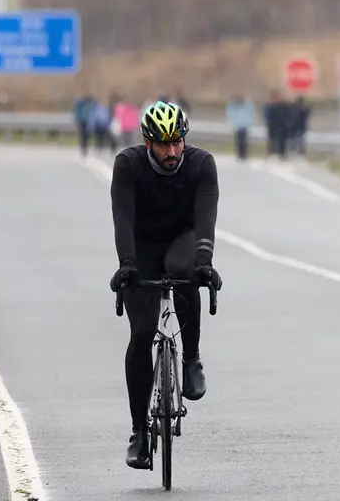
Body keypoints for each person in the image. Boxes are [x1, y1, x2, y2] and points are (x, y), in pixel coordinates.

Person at [107, 101, 224, 470]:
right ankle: (139, 433)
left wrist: (205, 263)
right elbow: (122, 218)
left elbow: (206, 218)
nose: (173, 151)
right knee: (141, 334)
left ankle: (191, 358)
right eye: (164, 144)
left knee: (186, 269)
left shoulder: (202, 165)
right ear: (147, 142)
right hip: (142, 247)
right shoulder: (128, 166)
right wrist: (126, 265)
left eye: (178, 142)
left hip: (182, 241)